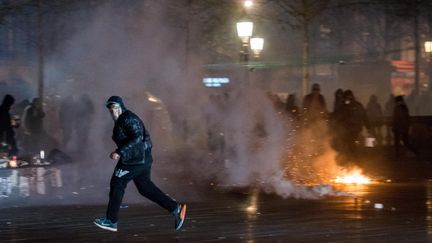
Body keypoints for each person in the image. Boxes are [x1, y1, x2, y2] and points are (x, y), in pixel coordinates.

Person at [94, 96, 186, 232]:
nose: (112, 111)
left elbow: (137, 138)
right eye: (109, 109)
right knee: (145, 188)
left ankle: (111, 220)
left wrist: (120, 152)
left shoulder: (128, 118)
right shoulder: (121, 120)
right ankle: (175, 208)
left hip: (136, 159)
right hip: (138, 158)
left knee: (118, 182)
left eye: (114, 108)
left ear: (120, 107)